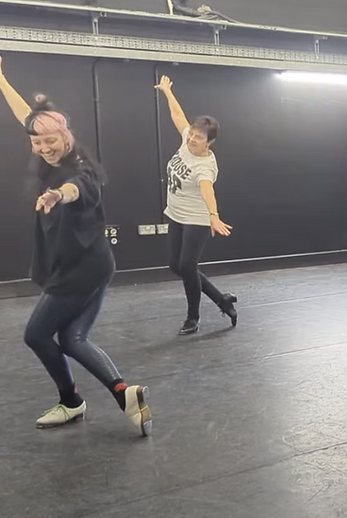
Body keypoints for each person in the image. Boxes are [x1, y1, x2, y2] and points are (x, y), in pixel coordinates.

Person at [0, 57, 151, 436]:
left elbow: (79, 188)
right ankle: (123, 393)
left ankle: (72, 401)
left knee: (36, 334)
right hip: (96, 262)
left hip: (79, 269)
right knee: (71, 338)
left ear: (65, 137)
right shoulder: (46, 149)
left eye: (51, 140)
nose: (44, 147)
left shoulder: (78, 167)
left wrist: (57, 195)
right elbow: (27, 116)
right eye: (37, 142)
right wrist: (1, 79)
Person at [155, 75, 238, 335]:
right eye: (192, 134)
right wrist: (168, 92)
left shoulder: (205, 165)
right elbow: (178, 115)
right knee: (175, 265)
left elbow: (207, 190)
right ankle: (221, 299)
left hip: (197, 219)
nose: (192, 140)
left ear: (209, 142)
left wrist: (213, 215)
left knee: (187, 266)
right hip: (176, 214)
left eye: (198, 138)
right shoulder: (186, 139)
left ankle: (193, 317)